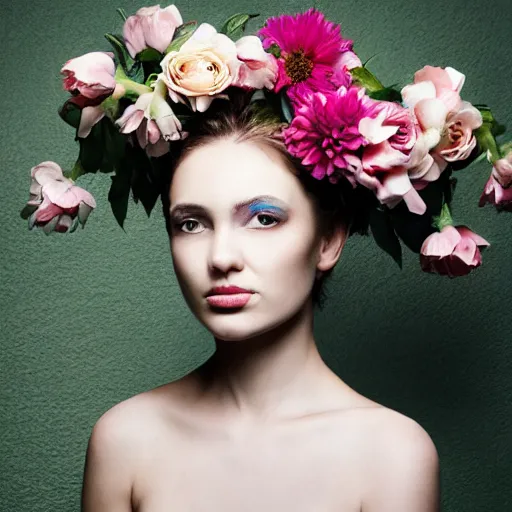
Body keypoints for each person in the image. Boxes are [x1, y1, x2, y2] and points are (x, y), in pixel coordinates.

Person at [80, 93, 440, 512]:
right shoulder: (125, 440)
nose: (220, 258)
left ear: (328, 240)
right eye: (191, 224)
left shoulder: (392, 454)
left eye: (264, 219)